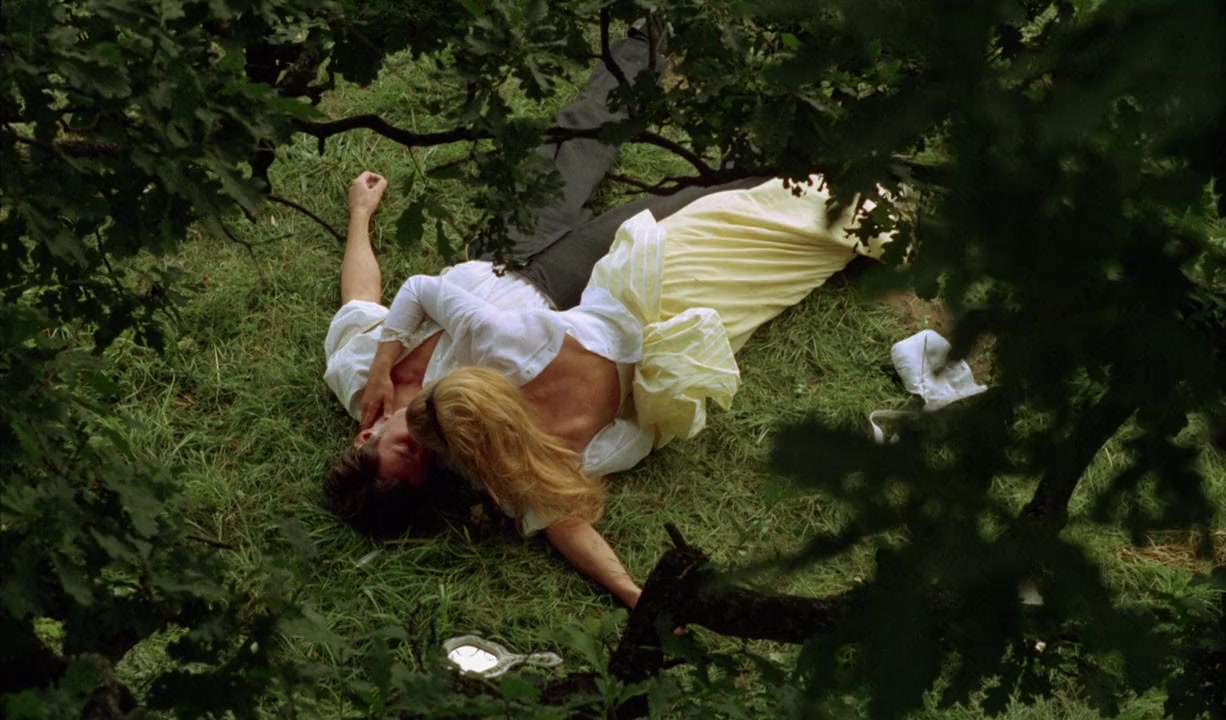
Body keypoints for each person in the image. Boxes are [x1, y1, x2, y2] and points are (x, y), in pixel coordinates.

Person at [322, 30, 895, 608]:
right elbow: (556, 511)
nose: (424, 451)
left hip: (503, 254)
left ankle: (649, 33)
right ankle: (805, 151)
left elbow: (362, 299)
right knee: (695, 199)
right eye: (423, 467)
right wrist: (630, 591)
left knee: (580, 135)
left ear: (367, 435)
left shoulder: (354, 371)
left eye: (406, 451)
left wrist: (360, 218)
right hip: (573, 295)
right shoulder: (462, 431)